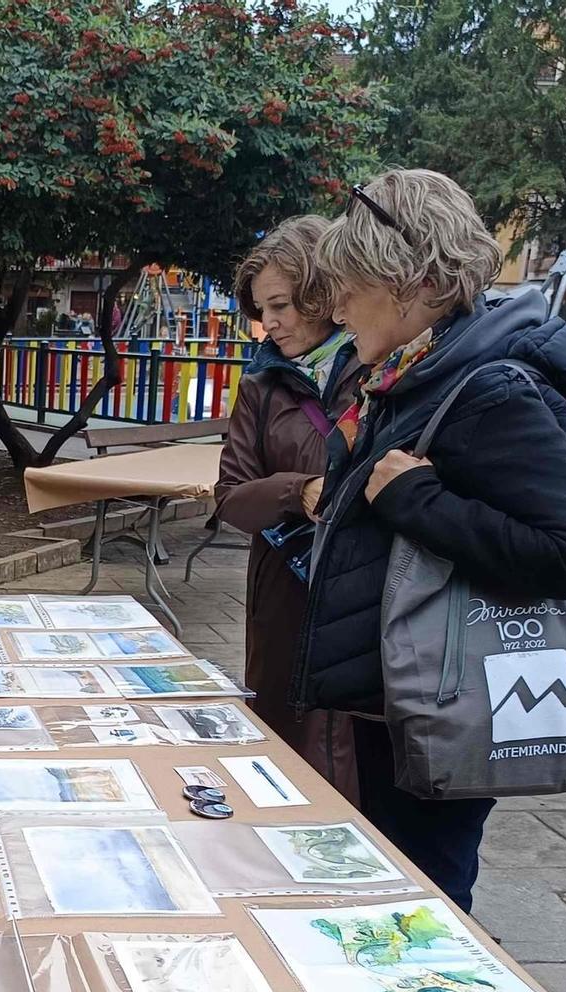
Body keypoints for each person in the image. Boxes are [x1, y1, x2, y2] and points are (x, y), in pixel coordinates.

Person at [300, 169, 566, 911]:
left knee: (422, 897)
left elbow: (562, 554)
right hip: (398, 694)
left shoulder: (490, 388)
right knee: (393, 883)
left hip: (441, 703)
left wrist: (416, 499)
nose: (336, 306)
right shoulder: (417, 372)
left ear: (419, 282)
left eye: (351, 283)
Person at [213, 215, 362, 796]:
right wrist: (296, 492)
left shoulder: (378, 370)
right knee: (283, 746)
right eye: (261, 310)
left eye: (281, 306)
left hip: (363, 591)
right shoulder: (261, 383)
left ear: (323, 292)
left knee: (356, 752)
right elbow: (230, 496)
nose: (269, 325)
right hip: (285, 590)